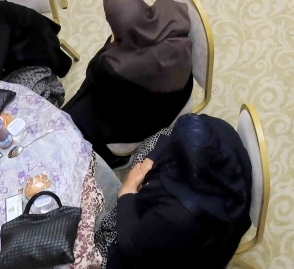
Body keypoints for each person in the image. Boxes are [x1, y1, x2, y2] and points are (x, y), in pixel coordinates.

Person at [66, 0, 198, 166]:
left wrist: (113, 41)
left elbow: (93, 73)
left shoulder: (113, 67)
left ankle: (114, 158)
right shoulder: (171, 11)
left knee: (79, 117)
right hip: (180, 91)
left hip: (151, 115)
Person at [105, 113, 252, 269]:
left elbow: (129, 243)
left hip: (182, 247)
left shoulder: (179, 214)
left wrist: (128, 189)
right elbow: (172, 138)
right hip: (212, 227)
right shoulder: (218, 131)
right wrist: (151, 159)